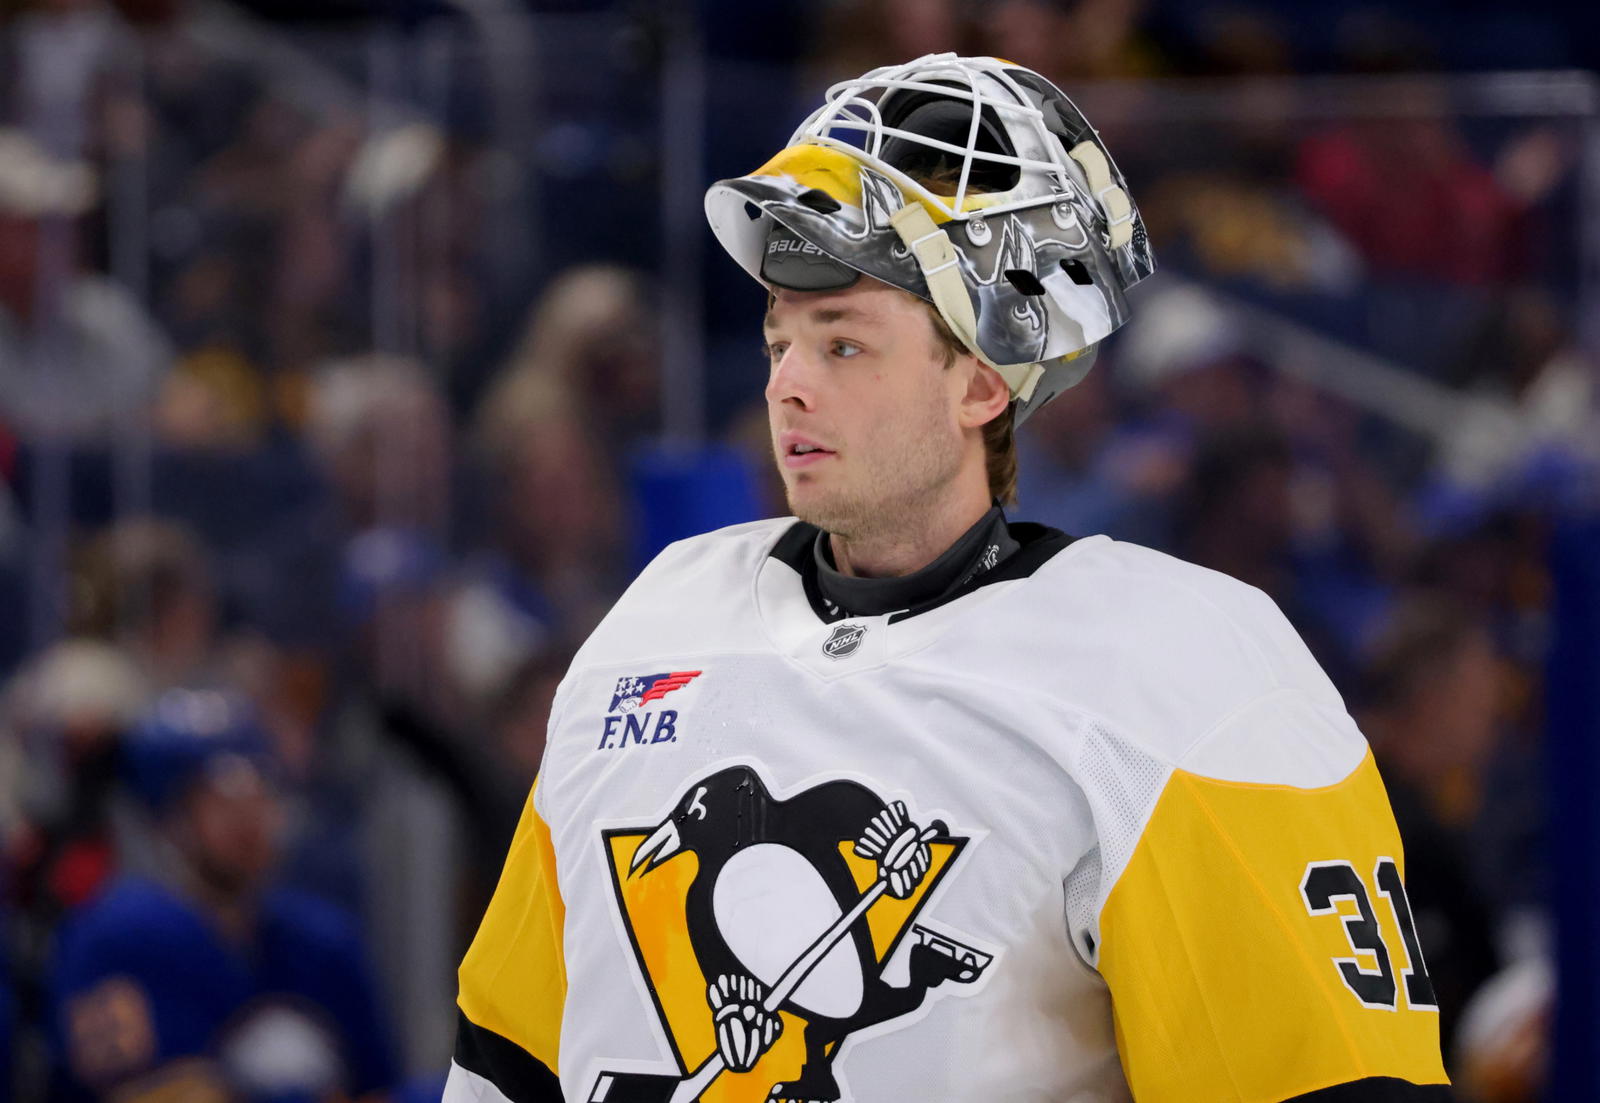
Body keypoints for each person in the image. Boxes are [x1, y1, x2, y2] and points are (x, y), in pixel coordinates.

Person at [446, 54, 1450, 1102]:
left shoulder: (1178, 672)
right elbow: (508, 1057)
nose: (785, 386)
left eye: (842, 345)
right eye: (778, 339)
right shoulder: (655, 624)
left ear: (979, 382)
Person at [48, 688, 398, 1103]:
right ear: (171, 817)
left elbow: (381, 1087)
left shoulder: (323, 939)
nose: (248, 813)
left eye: (260, 789)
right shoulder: (118, 937)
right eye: (221, 796)